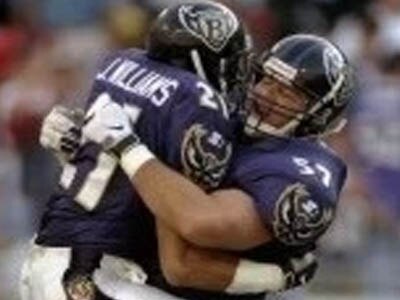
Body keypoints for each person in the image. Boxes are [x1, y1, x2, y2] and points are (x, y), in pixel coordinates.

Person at [21, 2, 315, 300]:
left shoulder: (121, 62)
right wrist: (279, 276)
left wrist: (78, 144)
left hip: (53, 259)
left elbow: (117, 178)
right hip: (93, 274)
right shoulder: (199, 101)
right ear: (205, 59)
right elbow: (183, 254)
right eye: (233, 62)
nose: (242, 78)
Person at [80, 33, 354, 299]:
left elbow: (190, 247)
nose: (267, 95)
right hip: (129, 277)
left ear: (320, 115)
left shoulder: (304, 173)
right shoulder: (224, 113)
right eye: (267, 80)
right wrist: (81, 139)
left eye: (288, 93)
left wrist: (127, 146)